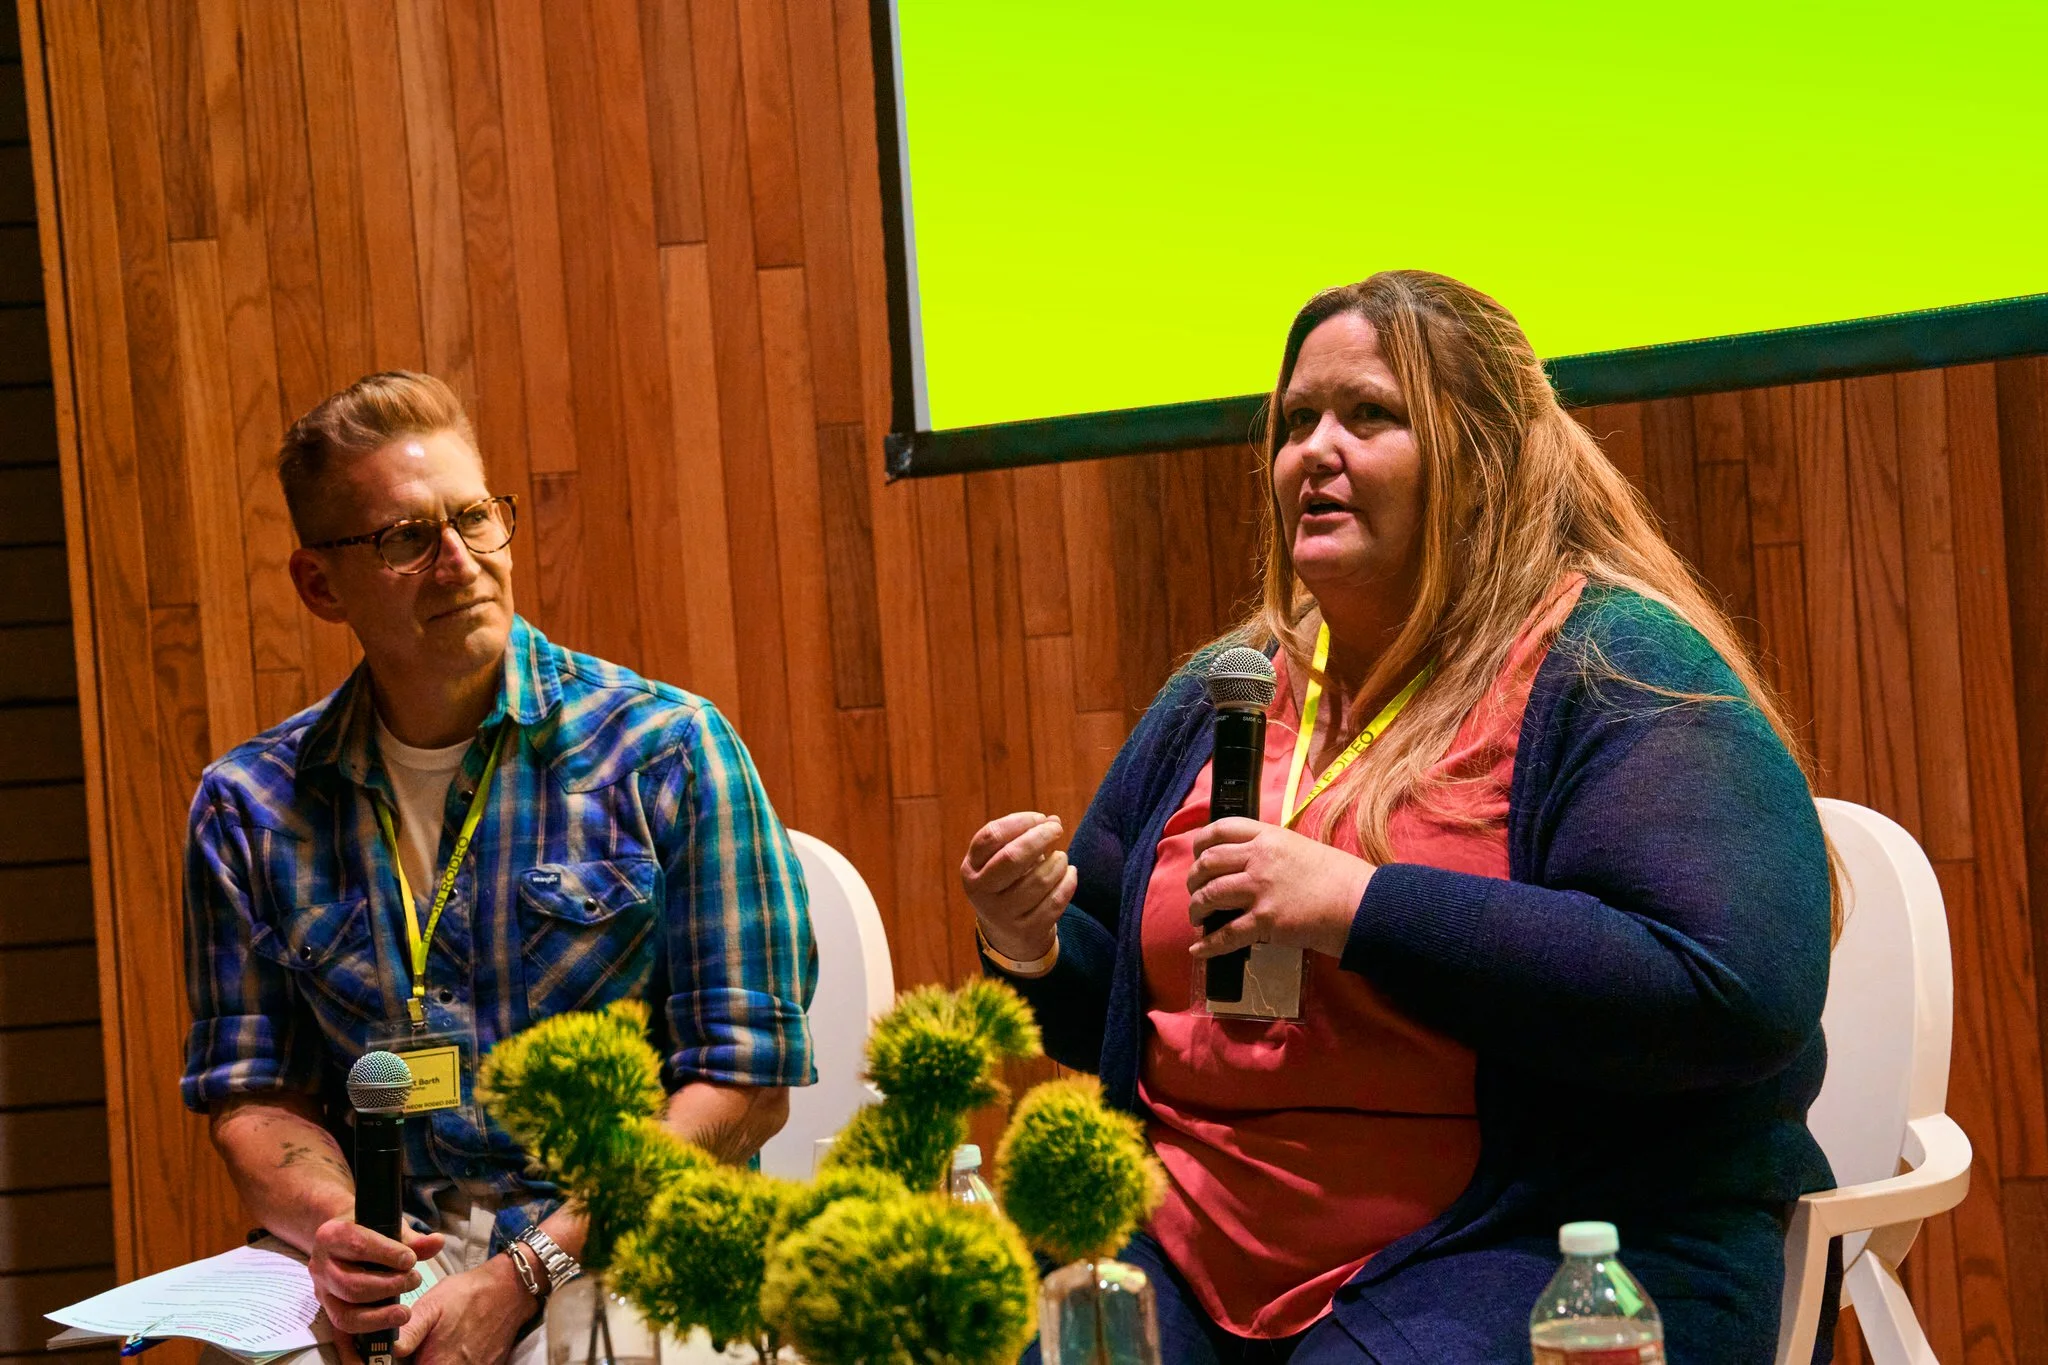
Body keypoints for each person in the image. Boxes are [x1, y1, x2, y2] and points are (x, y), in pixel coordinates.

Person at [964, 272, 1837, 1363]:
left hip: (1528, 1236)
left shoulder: (1615, 667)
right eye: (1296, 423)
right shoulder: (1225, 690)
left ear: (1479, 460)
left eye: (1368, 415)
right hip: (1189, 1243)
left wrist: (1357, 907)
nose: (1313, 452)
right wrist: (1029, 941)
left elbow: (1730, 993)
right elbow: (1120, 1014)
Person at [182, 372, 816, 1365]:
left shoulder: (668, 751)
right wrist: (344, 1234)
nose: (459, 562)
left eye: (475, 518)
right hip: (394, 1243)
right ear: (320, 585)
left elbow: (745, 1085)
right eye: (405, 538)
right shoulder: (250, 806)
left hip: (613, 1243)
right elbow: (255, 1095)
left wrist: (524, 1274)